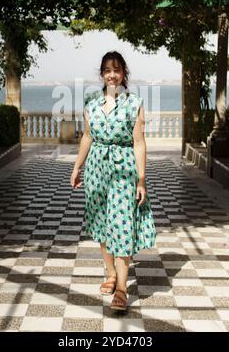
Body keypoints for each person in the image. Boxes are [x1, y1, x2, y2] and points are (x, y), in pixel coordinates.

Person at [70, 51, 156, 311]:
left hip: (124, 169)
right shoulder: (91, 102)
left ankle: (121, 288)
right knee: (101, 223)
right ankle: (110, 273)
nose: (112, 74)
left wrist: (141, 179)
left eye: (117, 70)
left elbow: (139, 143)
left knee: (121, 223)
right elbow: (87, 136)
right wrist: (77, 167)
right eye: (107, 70)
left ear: (123, 73)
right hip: (96, 168)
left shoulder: (134, 103)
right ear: (102, 74)